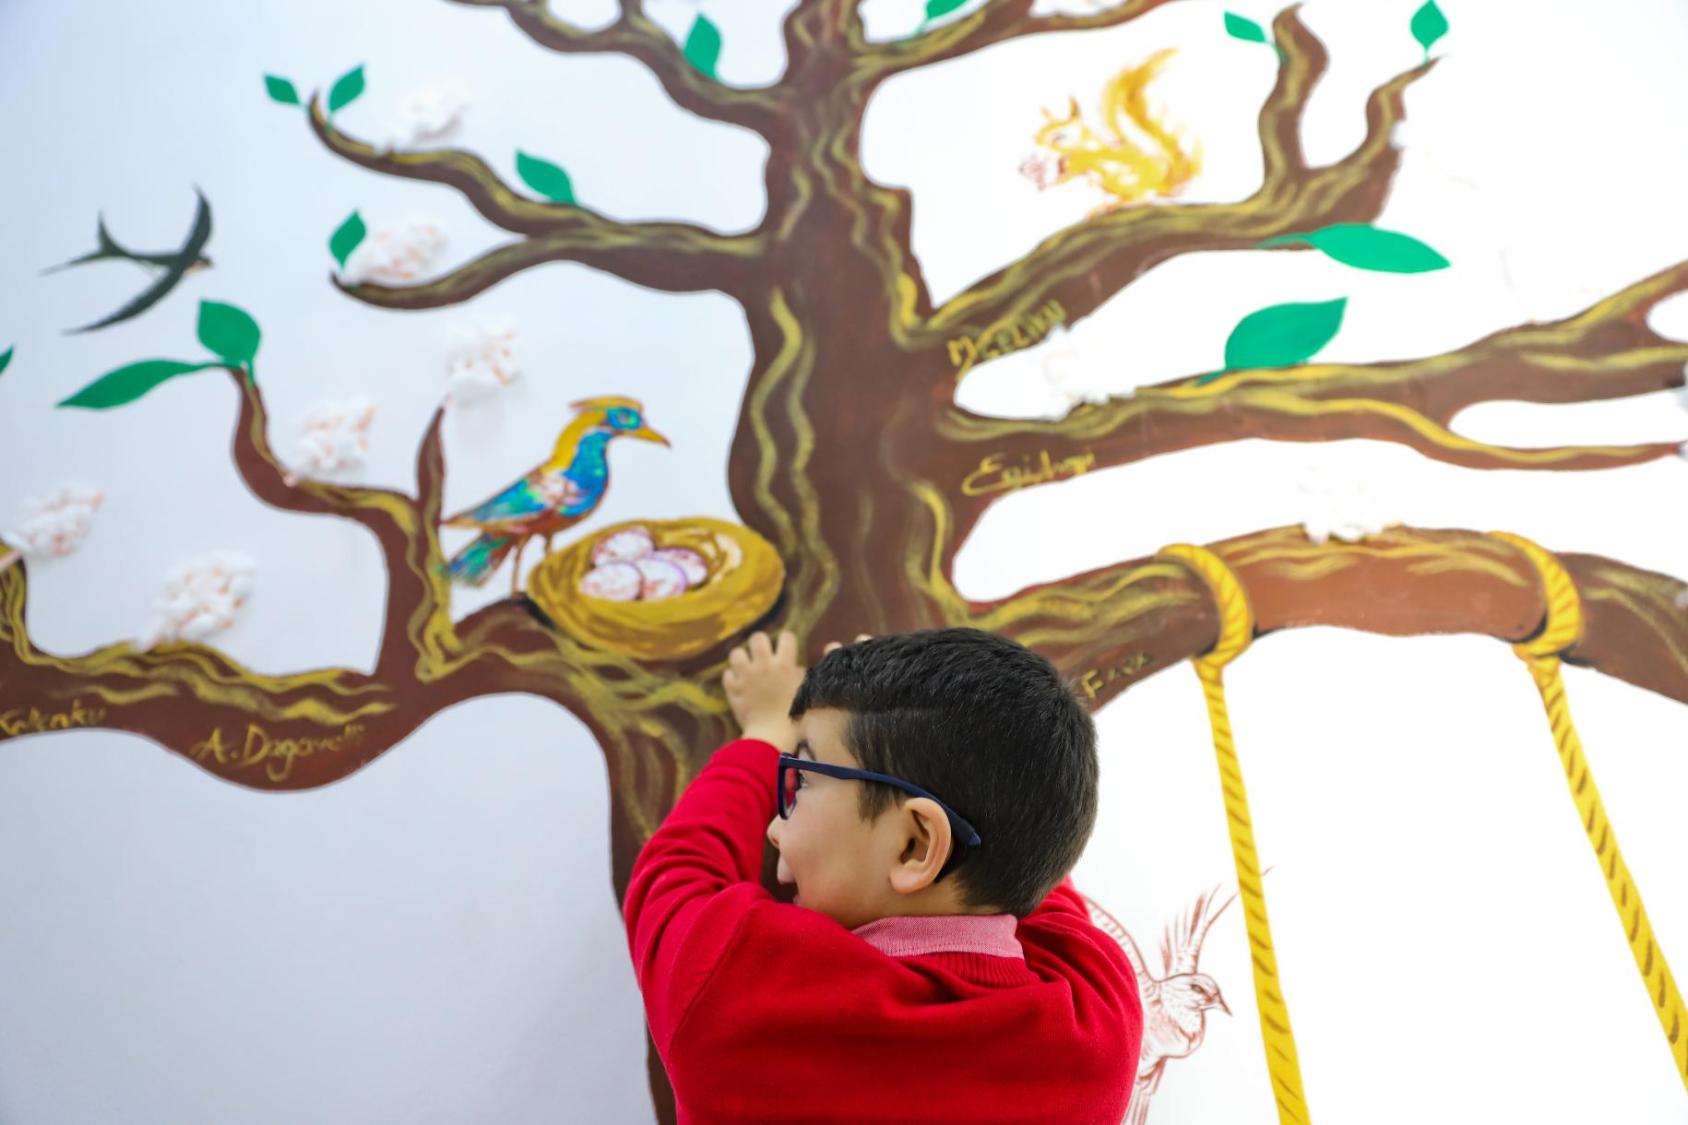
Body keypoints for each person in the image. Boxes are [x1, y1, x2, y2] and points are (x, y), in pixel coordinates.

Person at [623, 627, 1142, 1123]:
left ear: (915, 844)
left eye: (802, 778)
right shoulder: (1100, 1020)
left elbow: (675, 872)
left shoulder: (736, 993)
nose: (775, 829)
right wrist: (890, 710)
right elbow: (1027, 857)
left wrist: (764, 730)